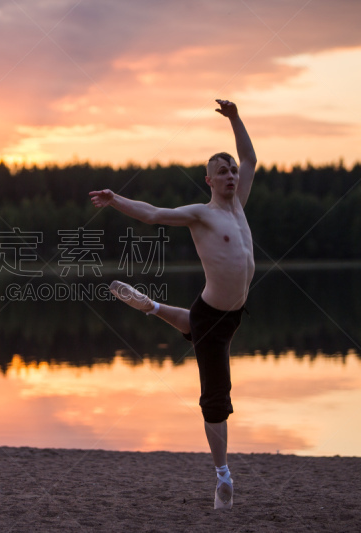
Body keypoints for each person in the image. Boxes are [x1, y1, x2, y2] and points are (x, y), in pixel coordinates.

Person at [88, 99, 256, 510]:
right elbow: (153, 214)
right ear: (209, 181)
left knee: (200, 325)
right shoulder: (201, 215)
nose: (232, 175)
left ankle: (151, 307)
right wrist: (116, 199)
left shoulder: (238, 207)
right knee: (216, 399)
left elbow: (251, 156)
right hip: (214, 316)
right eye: (223, 172)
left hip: (228, 315)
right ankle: (222, 478)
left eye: (232, 170)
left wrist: (235, 118)